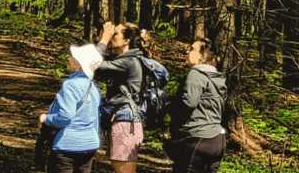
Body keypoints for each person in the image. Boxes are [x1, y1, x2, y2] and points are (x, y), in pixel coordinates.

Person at [95, 21, 157, 173]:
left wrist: (103, 41)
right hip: (125, 122)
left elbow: (93, 64)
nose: (111, 36)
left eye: (115, 34)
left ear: (126, 40)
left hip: (125, 123)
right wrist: (100, 40)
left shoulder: (129, 61)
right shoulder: (124, 60)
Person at [38, 44, 103, 173]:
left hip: (67, 145)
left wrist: (46, 118)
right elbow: (95, 119)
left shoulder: (70, 85)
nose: (68, 58)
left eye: (72, 57)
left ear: (79, 63)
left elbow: (65, 116)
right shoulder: (93, 88)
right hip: (90, 144)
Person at [168, 38, 227, 173]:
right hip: (216, 139)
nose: (187, 51)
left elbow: (188, 103)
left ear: (203, 56)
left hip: (198, 139)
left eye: (191, 49)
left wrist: (169, 109)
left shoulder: (197, 73)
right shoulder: (216, 76)